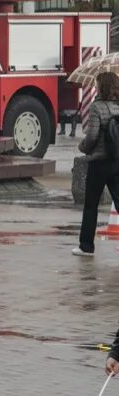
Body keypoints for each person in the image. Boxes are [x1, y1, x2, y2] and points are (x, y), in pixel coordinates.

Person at [75, 71, 119, 257]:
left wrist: (83, 147)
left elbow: (92, 136)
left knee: (91, 205)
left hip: (99, 163)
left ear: (101, 87)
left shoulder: (97, 107)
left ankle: (86, 246)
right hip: (117, 161)